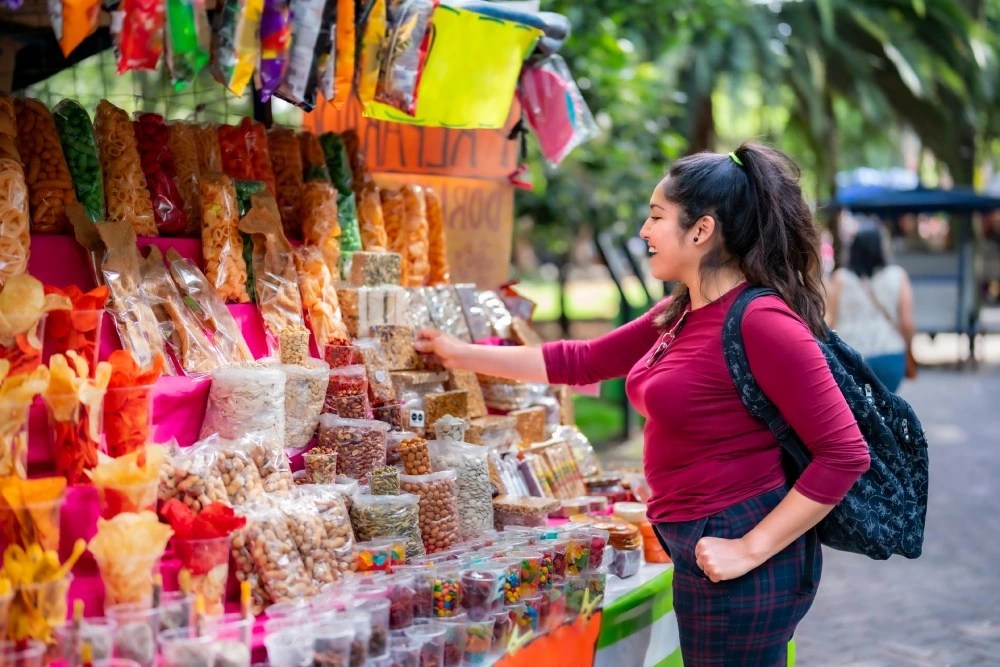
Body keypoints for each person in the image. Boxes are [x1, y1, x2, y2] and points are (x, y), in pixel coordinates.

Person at [415, 142, 871, 666]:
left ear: (701, 230)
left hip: (739, 548)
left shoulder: (762, 320)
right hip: (699, 539)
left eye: (656, 217)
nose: (644, 231)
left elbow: (844, 454)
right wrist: (456, 352)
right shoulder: (679, 311)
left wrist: (748, 548)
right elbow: (581, 360)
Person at [825, 224, 915, 392]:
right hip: (890, 354)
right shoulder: (898, 276)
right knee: (885, 411)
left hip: (849, 357)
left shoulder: (841, 279)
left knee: (856, 413)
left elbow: (831, 321)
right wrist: (909, 347)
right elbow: (907, 322)